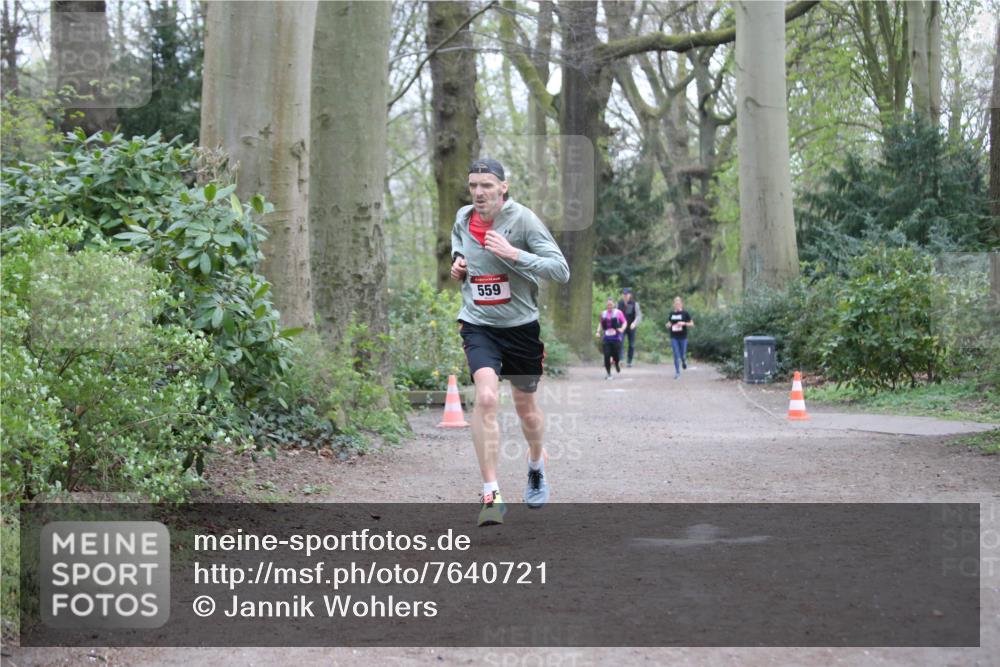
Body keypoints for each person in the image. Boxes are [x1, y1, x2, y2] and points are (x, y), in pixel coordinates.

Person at [450, 158, 570, 527]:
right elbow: (460, 247)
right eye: (473, 185)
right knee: (486, 397)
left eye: (486, 185)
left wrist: (513, 253)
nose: (479, 193)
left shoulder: (523, 221)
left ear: (503, 187)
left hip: (520, 328)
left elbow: (560, 271)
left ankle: (536, 462)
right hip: (478, 324)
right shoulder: (463, 218)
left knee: (526, 410)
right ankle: (491, 493)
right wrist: (457, 264)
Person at [595, 298, 626, 379]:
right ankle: (608, 373)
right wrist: (598, 331)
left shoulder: (618, 313)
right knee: (606, 355)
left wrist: (622, 329)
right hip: (607, 338)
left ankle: (616, 363)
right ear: (606, 305)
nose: (609, 306)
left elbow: (625, 322)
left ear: (614, 305)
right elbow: (601, 323)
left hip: (616, 338)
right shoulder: (603, 313)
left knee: (616, 355)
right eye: (608, 305)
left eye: (611, 305)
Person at [665, 296, 694, 379]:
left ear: (681, 304)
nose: (677, 305)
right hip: (674, 337)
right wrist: (668, 325)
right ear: (674, 304)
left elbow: (692, 324)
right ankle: (677, 372)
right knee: (675, 355)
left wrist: (684, 323)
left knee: (682, 355)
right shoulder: (672, 314)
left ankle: (684, 361)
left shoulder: (685, 313)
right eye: (675, 303)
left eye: (678, 303)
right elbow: (670, 323)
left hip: (683, 337)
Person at [616, 287, 643, 367]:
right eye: (624, 294)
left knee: (631, 344)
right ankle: (621, 359)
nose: (625, 296)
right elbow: (616, 315)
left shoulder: (635, 304)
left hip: (631, 326)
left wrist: (634, 323)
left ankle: (629, 361)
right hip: (622, 326)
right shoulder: (619, 304)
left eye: (626, 294)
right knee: (620, 341)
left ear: (630, 295)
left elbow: (639, 316)